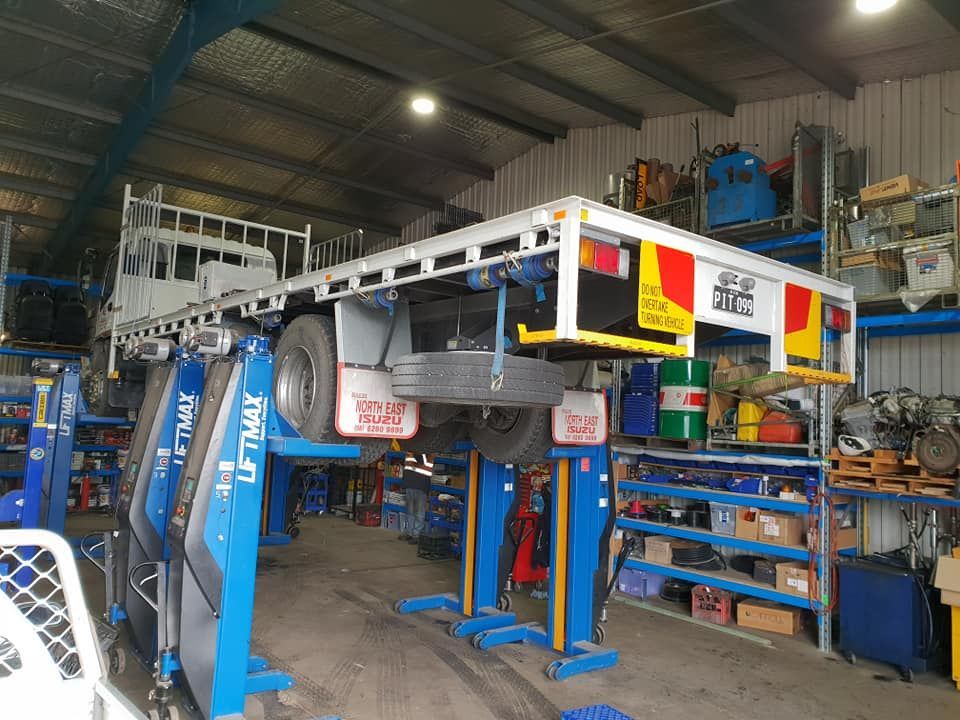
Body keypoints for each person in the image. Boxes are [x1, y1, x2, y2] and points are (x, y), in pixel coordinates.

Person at [399, 452, 432, 544]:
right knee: (410, 511)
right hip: (410, 484)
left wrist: (413, 457)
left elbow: (421, 463)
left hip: (421, 486)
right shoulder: (410, 451)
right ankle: (409, 533)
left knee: (419, 512)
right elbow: (406, 465)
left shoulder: (427, 452)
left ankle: (416, 535)